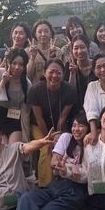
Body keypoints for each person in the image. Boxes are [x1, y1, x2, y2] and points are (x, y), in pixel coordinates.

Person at [27, 59, 77, 187]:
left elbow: (62, 117)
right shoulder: (35, 90)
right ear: (44, 73)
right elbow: (39, 118)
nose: (54, 76)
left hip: (59, 124)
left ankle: (63, 180)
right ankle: (45, 185)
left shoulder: (70, 90)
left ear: (63, 74)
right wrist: (49, 138)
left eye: (58, 72)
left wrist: (57, 135)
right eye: (51, 72)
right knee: (46, 148)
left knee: (62, 147)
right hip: (39, 126)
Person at [0, 47, 32, 144]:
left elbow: (26, 111)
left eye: (21, 64)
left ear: (25, 67)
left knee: (13, 148)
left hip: (14, 117)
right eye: (14, 63)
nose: (17, 67)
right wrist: (3, 82)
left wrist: (26, 137)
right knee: (3, 147)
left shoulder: (27, 83)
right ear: (8, 62)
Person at [63, 33, 94, 107]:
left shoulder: (96, 64)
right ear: (72, 50)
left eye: (82, 47)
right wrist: (72, 73)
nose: (79, 51)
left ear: (88, 47)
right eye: (76, 48)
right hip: (75, 108)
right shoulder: (69, 65)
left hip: (95, 106)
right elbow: (69, 92)